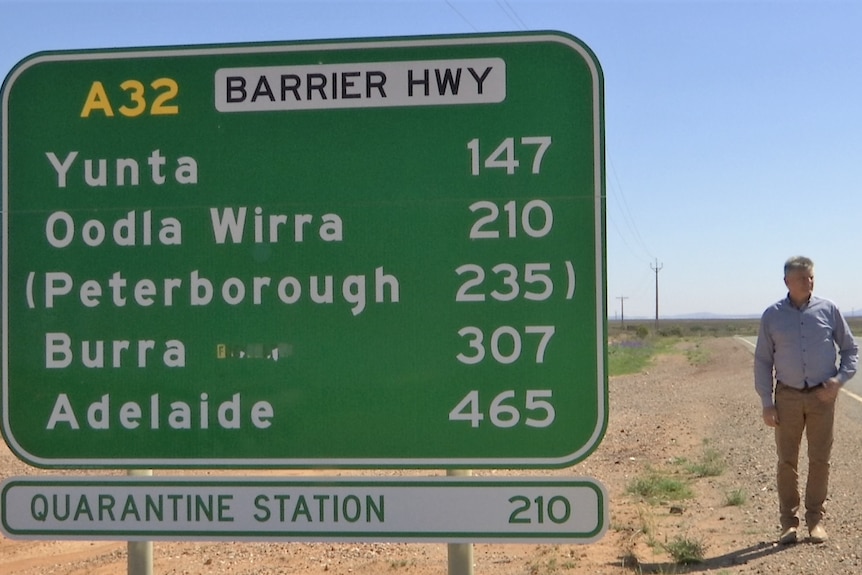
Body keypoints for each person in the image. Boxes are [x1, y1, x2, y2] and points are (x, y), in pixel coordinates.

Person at [754, 256, 858, 545]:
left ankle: (816, 521)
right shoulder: (772, 316)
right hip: (786, 397)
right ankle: (788, 524)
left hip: (821, 397)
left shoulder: (829, 310)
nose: (808, 282)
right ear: (787, 281)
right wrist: (766, 401)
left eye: (811, 277)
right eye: (802, 278)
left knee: (820, 460)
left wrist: (838, 381)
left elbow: (851, 350)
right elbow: (762, 361)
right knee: (787, 461)